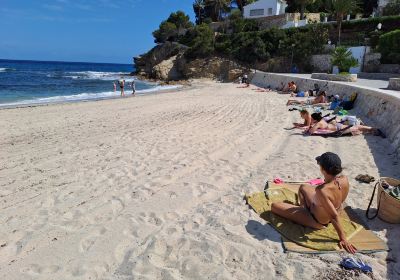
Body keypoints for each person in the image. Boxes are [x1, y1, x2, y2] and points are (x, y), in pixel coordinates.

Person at [271, 152, 357, 254]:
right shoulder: (344, 179)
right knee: (303, 187)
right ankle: (302, 208)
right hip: (331, 209)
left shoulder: (322, 190)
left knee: (274, 206)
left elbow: (333, 216)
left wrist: (343, 239)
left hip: (318, 221)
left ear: (323, 169)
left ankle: (302, 211)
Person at [307, 112, 385, 137]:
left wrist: (311, 124)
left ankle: (374, 129)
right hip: (337, 126)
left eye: (311, 118)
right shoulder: (322, 120)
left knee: (357, 127)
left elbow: (311, 131)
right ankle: (372, 130)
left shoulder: (319, 123)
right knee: (357, 128)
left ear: (314, 119)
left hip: (338, 128)